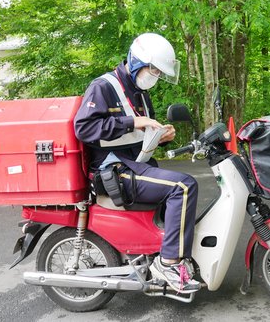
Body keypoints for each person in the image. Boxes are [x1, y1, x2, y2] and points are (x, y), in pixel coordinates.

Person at [74, 32, 201, 294]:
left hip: (136, 165)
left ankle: (164, 249)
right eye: (152, 69)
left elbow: (140, 135)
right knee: (184, 187)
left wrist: (161, 137)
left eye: (158, 71)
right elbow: (84, 128)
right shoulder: (104, 87)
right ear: (135, 62)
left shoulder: (140, 93)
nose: (154, 75)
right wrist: (134, 121)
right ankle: (169, 262)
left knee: (176, 188)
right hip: (113, 171)